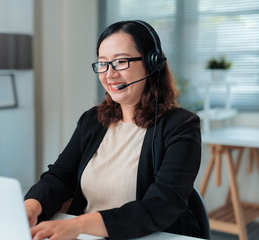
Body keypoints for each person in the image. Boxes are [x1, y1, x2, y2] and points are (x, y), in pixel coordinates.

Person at [24, 20, 202, 240]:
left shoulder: (182, 126)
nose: (109, 74)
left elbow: (162, 204)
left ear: (151, 63)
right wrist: (31, 206)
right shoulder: (92, 120)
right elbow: (60, 177)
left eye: (120, 62)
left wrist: (79, 224)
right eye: (102, 63)